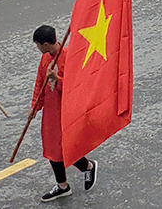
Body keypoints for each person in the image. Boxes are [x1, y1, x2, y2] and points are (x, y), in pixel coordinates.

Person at [30, 25, 98, 202]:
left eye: (38, 45)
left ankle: (86, 167)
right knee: (53, 149)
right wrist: (35, 106)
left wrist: (57, 80)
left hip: (66, 112)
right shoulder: (45, 58)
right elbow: (40, 82)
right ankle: (63, 184)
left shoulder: (69, 58)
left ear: (45, 44)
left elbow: (76, 88)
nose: (38, 49)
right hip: (50, 114)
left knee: (63, 148)